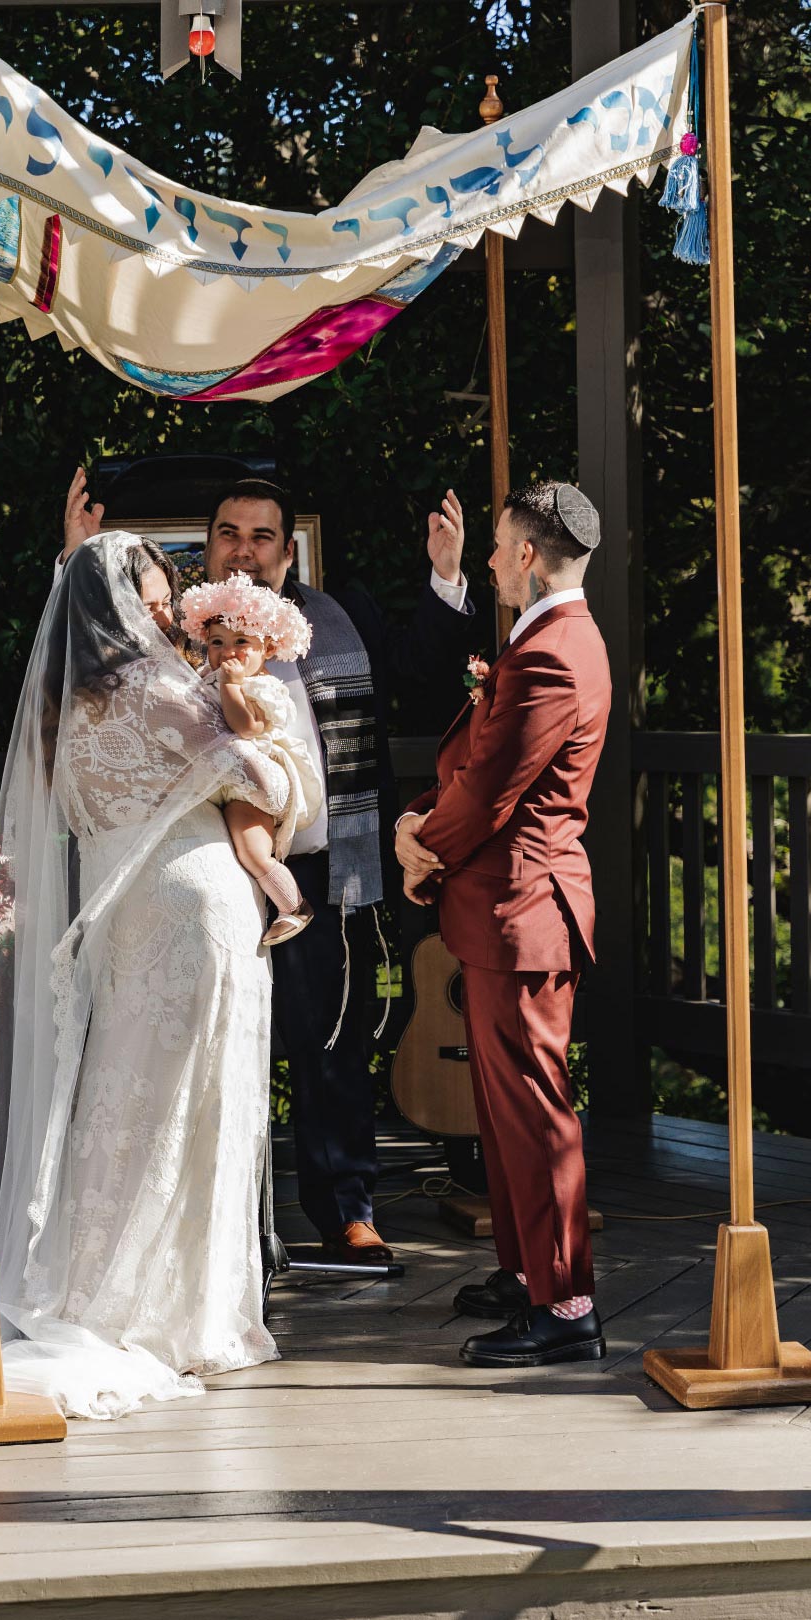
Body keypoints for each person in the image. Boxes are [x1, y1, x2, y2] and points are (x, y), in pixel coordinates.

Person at [0, 533, 292, 1418]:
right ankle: (185, 1316)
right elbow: (259, 784)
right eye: (155, 596)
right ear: (122, 606)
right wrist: (284, 752)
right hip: (195, 908)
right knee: (194, 1103)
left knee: (123, 1101)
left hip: (121, 919)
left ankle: (104, 1285)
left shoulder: (63, 714)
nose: (166, 611)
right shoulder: (163, 692)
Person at [62, 467, 477, 1264]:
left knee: (330, 1044)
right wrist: (77, 562)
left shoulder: (338, 615)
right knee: (209, 1048)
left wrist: (447, 575)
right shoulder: (170, 634)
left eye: (261, 536)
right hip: (204, 873)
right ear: (207, 543)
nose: (243, 551)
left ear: (289, 550)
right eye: (228, 534)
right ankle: (210, 1233)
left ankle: (346, 1208)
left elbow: (423, 670)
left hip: (322, 868)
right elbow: (91, 659)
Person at [396, 481, 611, 1368]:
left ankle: (567, 1306)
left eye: (495, 545)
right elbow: (480, 764)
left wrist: (421, 848)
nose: (486, 560)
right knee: (503, 1110)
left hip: (524, 909)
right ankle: (529, 1274)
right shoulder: (542, 640)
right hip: (499, 906)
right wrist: (423, 822)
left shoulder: (557, 651)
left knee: (535, 1114)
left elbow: (492, 790)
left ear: (528, 554)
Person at [180, 572, 322, 946]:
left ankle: (293, 905)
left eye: (241, 641)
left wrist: (230, 687)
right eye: (217, 642)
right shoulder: (203, 678)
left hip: (252, 784)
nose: (228, 652)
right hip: (217, 779)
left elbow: (246, 726)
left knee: (251, 848)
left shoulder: (263, 686)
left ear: (268, 650)